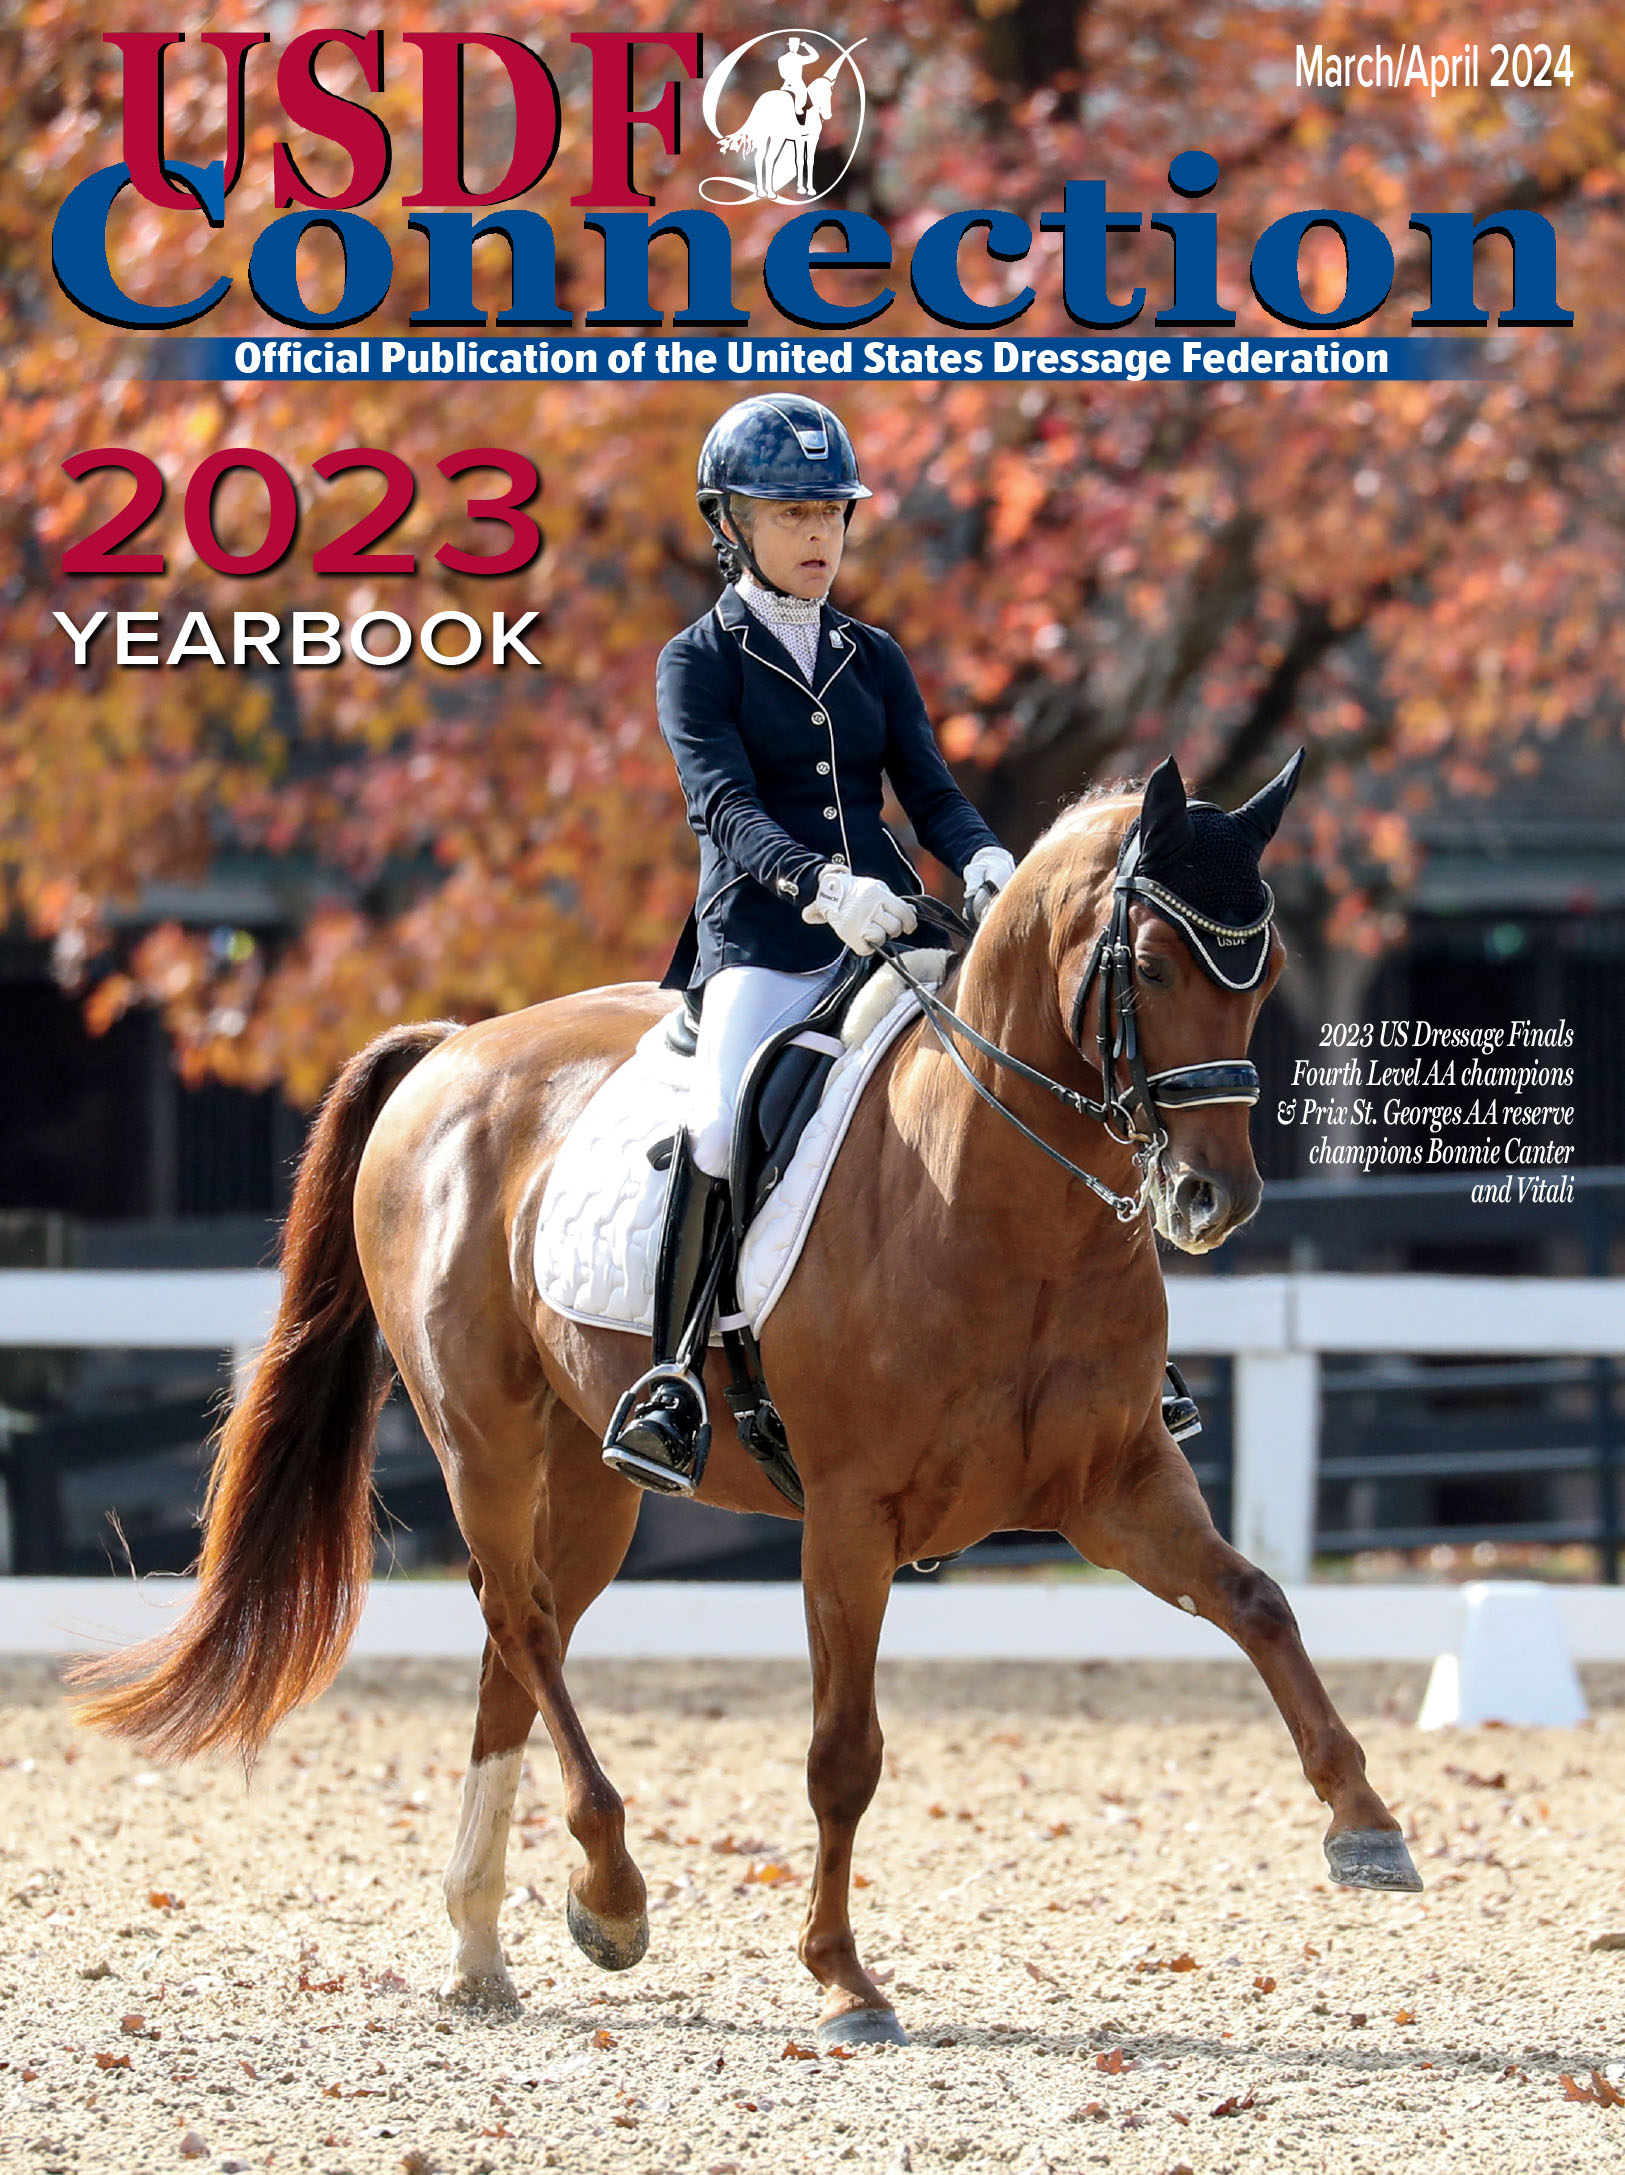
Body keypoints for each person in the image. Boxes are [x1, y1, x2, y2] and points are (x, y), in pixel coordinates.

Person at [601, 394, 1016, 1496]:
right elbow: (725, 809)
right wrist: (818, 886)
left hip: (893, 928)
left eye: (830, 511)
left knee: (1020, 1071)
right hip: (765, 943)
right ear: (729, 522)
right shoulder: (697, 660)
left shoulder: (872, 656)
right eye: (791, 513)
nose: (818, 533)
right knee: (717, 1127)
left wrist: (983, 859)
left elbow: (928, 789)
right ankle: (673, 1382)